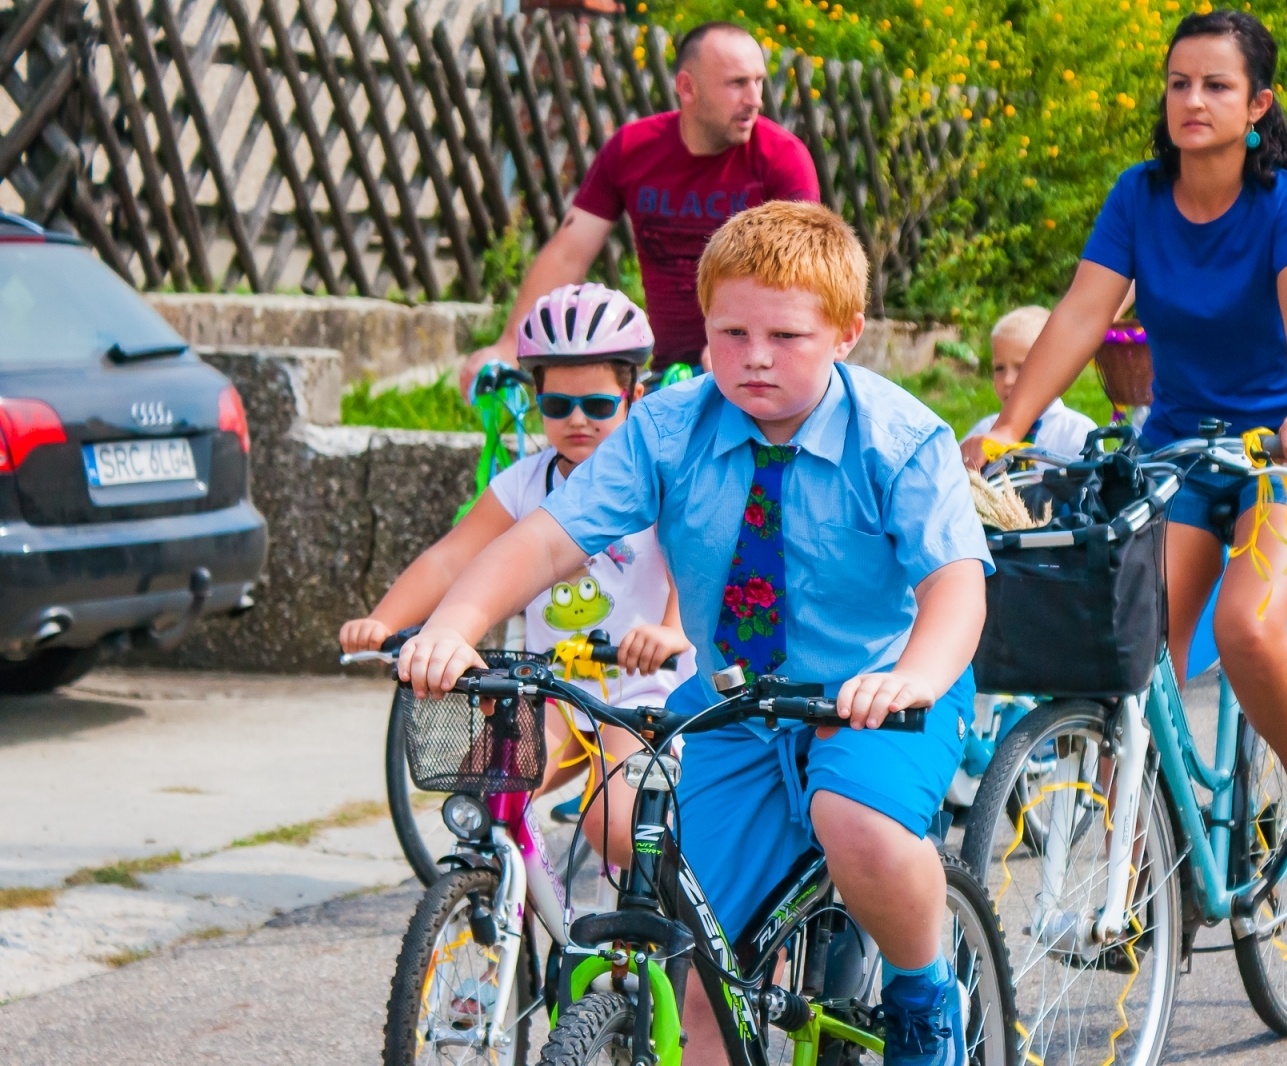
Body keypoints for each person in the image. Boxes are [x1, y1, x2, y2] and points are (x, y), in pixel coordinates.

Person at [401, 200, 989, 1066]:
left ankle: (923, 988)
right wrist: (455, 625)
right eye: (730, 332)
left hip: (880, 689)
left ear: (847, 333)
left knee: (853, 819)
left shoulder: (899, 439)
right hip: (733, 705)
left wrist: (914, 679)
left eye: (786, 336)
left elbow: (956, 587)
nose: (753, 357)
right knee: (704, 962)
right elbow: (546, 538)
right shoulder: (669, 429)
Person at [961, 9, 1287, 907]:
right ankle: (1137, 869)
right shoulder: (1139, 197)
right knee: (1130, 652)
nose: (1193, 100)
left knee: (1247, 627)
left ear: (1257, 103)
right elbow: (1080, 315)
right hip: (1178, 452)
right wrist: (1010, 426)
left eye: (1216, 85)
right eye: (1180, 83)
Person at [341, 284, 693, 865]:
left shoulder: (659, 475)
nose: (577, 421)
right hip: (551, 690)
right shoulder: (526, 483)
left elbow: (691, 558)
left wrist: (672, 629)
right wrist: (384, 621)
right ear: (537, 400)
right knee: (487, 797)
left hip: (642, 695)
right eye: (558, 407)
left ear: (633, 394)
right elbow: (452, 558)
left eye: (599, 406)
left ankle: (660, 935)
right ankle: (509, 930)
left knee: (617, 825)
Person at [459, 21, 821, 395]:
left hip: (761, 372)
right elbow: (569, 252)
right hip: (664, 375)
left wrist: (739, 345)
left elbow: (801, 277)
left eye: (758, 81)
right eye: (737, 84)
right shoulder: (633, 149)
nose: (755, 98)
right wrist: (508, 345)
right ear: (686, 87)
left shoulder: (782, 158)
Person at [964, 305, 1097, 459]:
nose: (1007, 380)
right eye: (1000, 368)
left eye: (1022, 368)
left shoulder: (1077, 432)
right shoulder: (985, 431)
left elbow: (1090, 480)